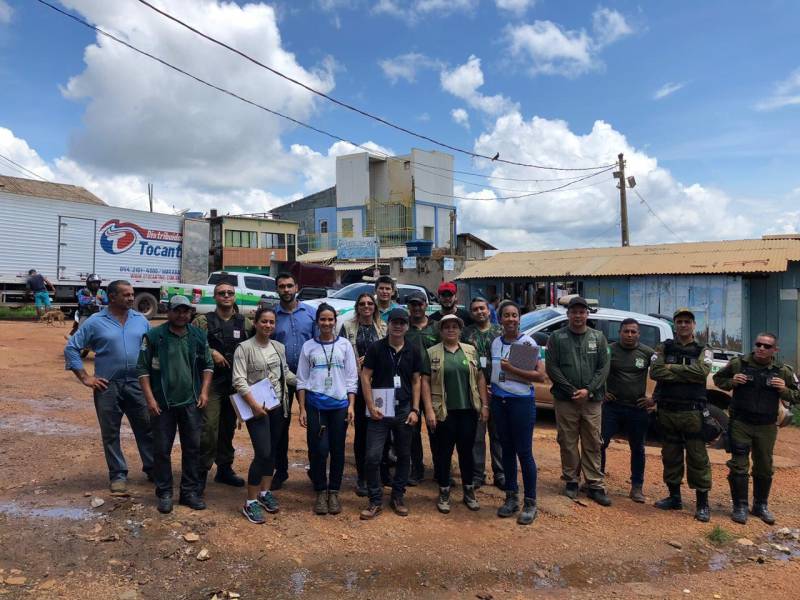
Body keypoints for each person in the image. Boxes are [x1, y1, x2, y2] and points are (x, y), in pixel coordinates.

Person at [64, 279, 153, 494]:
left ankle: (153, 468)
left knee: (147, 429)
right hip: (107, 386)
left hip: (136, 384)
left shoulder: (141, 321)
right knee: (110, 432)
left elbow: (152, 350)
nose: (132, 298)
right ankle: (118, 474)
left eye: (132, 294)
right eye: (126, 294)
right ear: (112, 297)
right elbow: (72, 348)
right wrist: (85, 377)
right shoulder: (95, 322)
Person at [137, 295, 214, 514]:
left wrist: (204, 392)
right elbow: (142, 370)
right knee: (162, 449)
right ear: (168, 311)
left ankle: (189, 492)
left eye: (186, 311)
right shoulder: (154, 336)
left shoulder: (198, 335)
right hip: (162, 404)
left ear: (191, 313)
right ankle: (164, 493)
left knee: (192, 448)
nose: (182, 315)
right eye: (177, 311)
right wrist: (150, 400)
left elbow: (208, 365)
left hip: (191, 402)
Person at [713, 333, 800, 524]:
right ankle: (740, 506)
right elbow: (719, 379)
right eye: (758, 344)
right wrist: (732, 382)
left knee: (764, 465)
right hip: (740, 423)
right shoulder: (738, 364)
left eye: (767, 346)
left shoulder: (782, 371)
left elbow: (797, 395)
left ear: (774, 350)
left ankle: (760, 505)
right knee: (739, 465)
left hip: (766, 426)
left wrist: (783, 390)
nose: (761, 348)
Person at [232, 306, 296, 524]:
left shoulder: (278, 347)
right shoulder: (244, 348)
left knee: (273, 452)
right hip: (257, 409)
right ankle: (249, 502)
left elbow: (284, 373)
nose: (268, 326)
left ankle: (264, 492)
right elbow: (239, 380)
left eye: (271, 322)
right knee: (263, 452)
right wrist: (254, 405)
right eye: (264, 322)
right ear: (256, 322)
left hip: (277, 406)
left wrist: (308, 382)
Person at [546, 296, 611, 506]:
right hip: (566, 399)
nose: (578, 315)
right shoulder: (556, 337)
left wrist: (588, 390)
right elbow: (552, 367)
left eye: (582, 312)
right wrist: (572, 390)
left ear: (587, 314)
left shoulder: (598, 337)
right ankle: (571, 480)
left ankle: (594, 484)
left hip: (592, 401)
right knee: (567, 440)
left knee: (593, 440)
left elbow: (603, 368)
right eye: (574, 312)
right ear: (568, 314)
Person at [650, 308, 713, 522]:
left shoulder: (703, 349)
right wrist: (685, 371)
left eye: (687, 321)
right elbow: (655, 372)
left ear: (694, 325)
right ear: (674, 325)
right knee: (671, 456)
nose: (683, 325)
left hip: (692, 412)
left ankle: (702, 504)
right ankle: (674, 497)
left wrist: (672, 368)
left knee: (698, 458)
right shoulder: (664, 347)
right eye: (679, 322)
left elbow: (701, 373)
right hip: (668, 410)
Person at [423, 314, 489, 515]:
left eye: (454, 327)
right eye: (446, 327)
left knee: (466, 452)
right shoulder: (432, 352)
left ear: (460, 330)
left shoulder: (470, 351)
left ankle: (468, 491)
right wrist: (428, 410)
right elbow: (425, 382)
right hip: (444, 411)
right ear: (440, 331)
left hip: (468, 411)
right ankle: (444, 491)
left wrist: (484, 405)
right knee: (443, 453)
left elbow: (479, 378)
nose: (451, 330)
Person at [359, 308, 422, 519]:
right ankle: (375, 500)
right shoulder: (376, 348)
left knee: (404, 455)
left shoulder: (412, 350)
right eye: (394, 322)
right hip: (379, 408)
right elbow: (365, 376)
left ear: (407, 326)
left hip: (404, 408)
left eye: (402, 323)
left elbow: (416, 380)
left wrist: (415, 409)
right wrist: (369, 405)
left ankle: (398, 495)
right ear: (388, 324)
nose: (398, 326)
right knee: (372, 456)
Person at [296, 303, 358, 515]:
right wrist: (302, 408)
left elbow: (352, 378)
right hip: (316, 405)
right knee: (319, 449)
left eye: (330, 319)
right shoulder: (308, 347)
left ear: (335, 321)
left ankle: (334, 492)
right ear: (317, 322)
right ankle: (320, 491)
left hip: (340, 405)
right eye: (323, 319)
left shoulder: (345, 346)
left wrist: (351, 405)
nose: (327, 323)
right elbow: (302, 380)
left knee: (337, 450)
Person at [192, 282, 253, 492]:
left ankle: (224, 468)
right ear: (215, 296)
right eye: (221, 293)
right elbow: (191, 344)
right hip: (211, 383)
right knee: (209, 428)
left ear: (234, 296)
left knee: (227, 428)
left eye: (230, 293)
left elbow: (254, 347)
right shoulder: (203, 321)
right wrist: (211, 352)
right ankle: (200, 473)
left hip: (234, 384)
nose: (226, 296)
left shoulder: (245, 323)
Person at [489, 302, 545, 525]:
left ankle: (530, 503)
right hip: (499, 402)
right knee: (507, 451)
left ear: (519, 319)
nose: (511, 319)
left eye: (514, 315)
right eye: (506, 316)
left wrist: (511, 369)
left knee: (524, 452)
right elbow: (494, 371)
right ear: (500, 320)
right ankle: (511, 498)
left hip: (520, 403)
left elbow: (538, 376)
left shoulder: (526, 342)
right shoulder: (495, 343)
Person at [600, 319, 655, 503]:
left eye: (633, 332)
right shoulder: (609, 350)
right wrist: (602, 392)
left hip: (637, 408)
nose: (630, 335)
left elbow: (663, 375)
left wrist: (653, 399)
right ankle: (596, 481)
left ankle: (637, 487)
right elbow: (598, 370)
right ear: (620, 332)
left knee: (638, 448)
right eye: (626, 331)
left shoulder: (647, 353)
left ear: (639, 334)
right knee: (600, 443)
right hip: (612, 407)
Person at [271, 272, 316, 490]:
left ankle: (316, 470)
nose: (286, 290)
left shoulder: (311, 313)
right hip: (281, 379)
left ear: (296, 286)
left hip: (310, 379)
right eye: (282, 286)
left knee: (315, 425)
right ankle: (280, 471)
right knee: (279, 426)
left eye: (289, 286)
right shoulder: (272, 315)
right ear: (277, 289)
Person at [339, 292, 387, 496]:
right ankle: (363, 476)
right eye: (362, 304)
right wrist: (354, 361)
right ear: (357, 307)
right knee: (362, 433)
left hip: (381, 386)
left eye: (370, 303)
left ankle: (381, 473)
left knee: (382, 429)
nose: (366, 306)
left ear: (375, 307)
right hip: (357, 386)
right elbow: (340, 351)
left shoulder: (383, 328)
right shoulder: (348, 327)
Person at [461, 297, 504, 490]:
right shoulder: (466, 333)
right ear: (471, 313)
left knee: (498, 435)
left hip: (500, 391)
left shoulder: (500, 331)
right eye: (475, 309)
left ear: (489, 310)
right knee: (476, 436)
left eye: (482, 308)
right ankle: (477, 474)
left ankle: (501, 473)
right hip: (474, 392)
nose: (479, 312)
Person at [405, 290, 440, 484]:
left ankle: (440, 469)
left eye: (420, 304)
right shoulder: (404, 328)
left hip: (434, 385)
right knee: (412, 431)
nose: (416, 308)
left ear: (426, 305)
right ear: (408, 307)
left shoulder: (436, 328)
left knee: (437, 429)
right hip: (411, 386)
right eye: (413, 305)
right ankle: (416, 469)